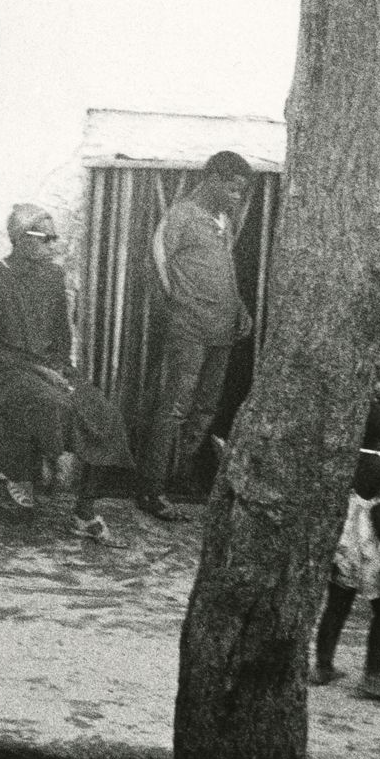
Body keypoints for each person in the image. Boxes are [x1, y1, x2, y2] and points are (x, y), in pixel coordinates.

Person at [0, 202, 133, 526]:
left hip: (50, 368)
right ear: (22, 239)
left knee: (101, 411)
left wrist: (60, 371)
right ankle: (20, 473)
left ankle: (84, 510)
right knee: (51, 404)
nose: (53, 245)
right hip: (2, 372)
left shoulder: (53, 278)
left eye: (54, 238)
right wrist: (40, 371)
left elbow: (60, 338)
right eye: (47, 238)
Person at [136, 151, 253, 521]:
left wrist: (239, 308)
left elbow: (226, 272)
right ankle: (150, 489)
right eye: (232, 188)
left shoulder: (224, 220)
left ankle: (181, 476)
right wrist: (177, 310)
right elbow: (155, 267)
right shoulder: (181, 215)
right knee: (175, 407)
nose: (238, 196)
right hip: (189, 329)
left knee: (204, 408)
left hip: (222, 330)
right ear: (213, 179)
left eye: (242, 191)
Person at [312, 376, 380, 703]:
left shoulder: (343, 460)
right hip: (372, 553)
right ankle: (373, 676)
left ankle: (323, 666)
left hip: (344, 548)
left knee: (337, 606)